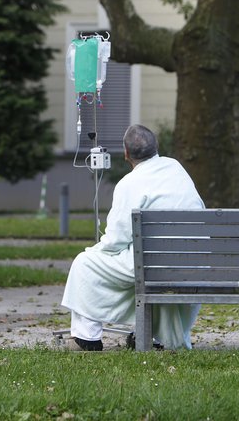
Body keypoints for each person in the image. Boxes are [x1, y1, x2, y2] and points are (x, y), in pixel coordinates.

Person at [61, 124, 205, 351]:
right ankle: (151, 336)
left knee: (84, 263)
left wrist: (96, 250)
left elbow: (117, 238)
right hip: (192, 261)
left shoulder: (129, 183)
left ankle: (86, 338)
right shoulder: (175, 167)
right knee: (149, 264)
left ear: (126, 154)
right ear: (156, 148)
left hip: (151, 263)